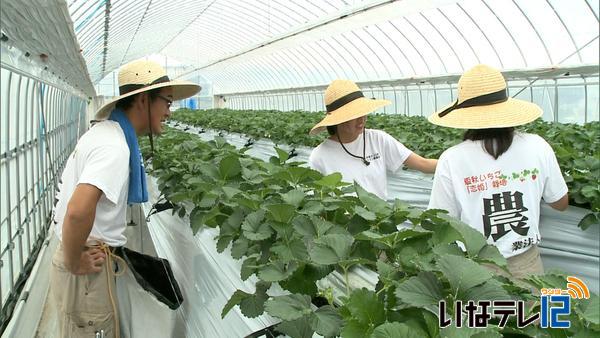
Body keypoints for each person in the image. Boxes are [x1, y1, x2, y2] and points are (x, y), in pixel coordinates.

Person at [50, 59, 200, 337]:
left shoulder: (108, 134)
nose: (169, 111)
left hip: (88, 260)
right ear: (143, 100)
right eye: (167, 102)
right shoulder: (115, 147)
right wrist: (74, 261)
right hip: (85, 269)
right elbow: (78, 212)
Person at [427, 64, 568, 279]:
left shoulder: (452, 158)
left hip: (475, 270)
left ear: (465, 115)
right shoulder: (538, 146)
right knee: (529, 313)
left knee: (482, 314)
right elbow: (560, 203)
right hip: (527, 266)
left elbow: (441, 220)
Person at [308, 79, 437, 200]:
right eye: (354, 115)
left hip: (379, 220)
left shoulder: (378, 139)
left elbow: (422, 164)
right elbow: (319, 202)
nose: (362, 119)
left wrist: (453, 163)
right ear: (338, 120)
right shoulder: (320, 156)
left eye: (362, 112)